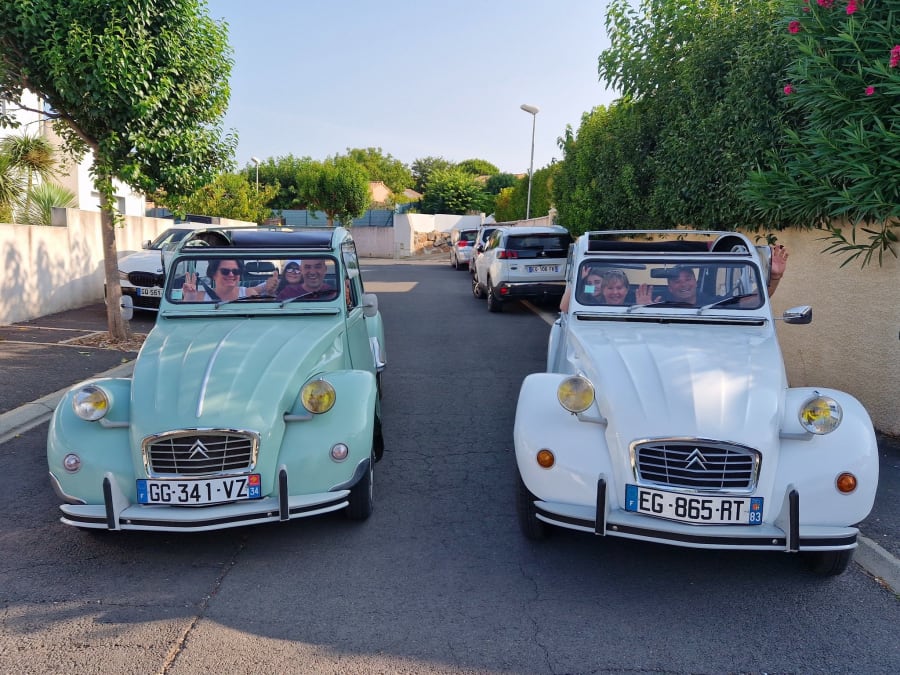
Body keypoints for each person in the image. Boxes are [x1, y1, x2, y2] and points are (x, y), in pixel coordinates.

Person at [259, 259, 338, 301]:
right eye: (307, 267)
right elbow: (274, 311)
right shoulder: (288, 292)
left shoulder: (334, 293)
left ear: (325, 269)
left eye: (317, 267)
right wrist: (270, 293)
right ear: (302, 270)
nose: (313, 272)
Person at [181, 259, 247, 302]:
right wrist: (189, 297)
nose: (231, 274)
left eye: (236, 271)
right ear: (214, 274)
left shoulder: (249, 294)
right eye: (225, 271)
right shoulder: (199, 297)